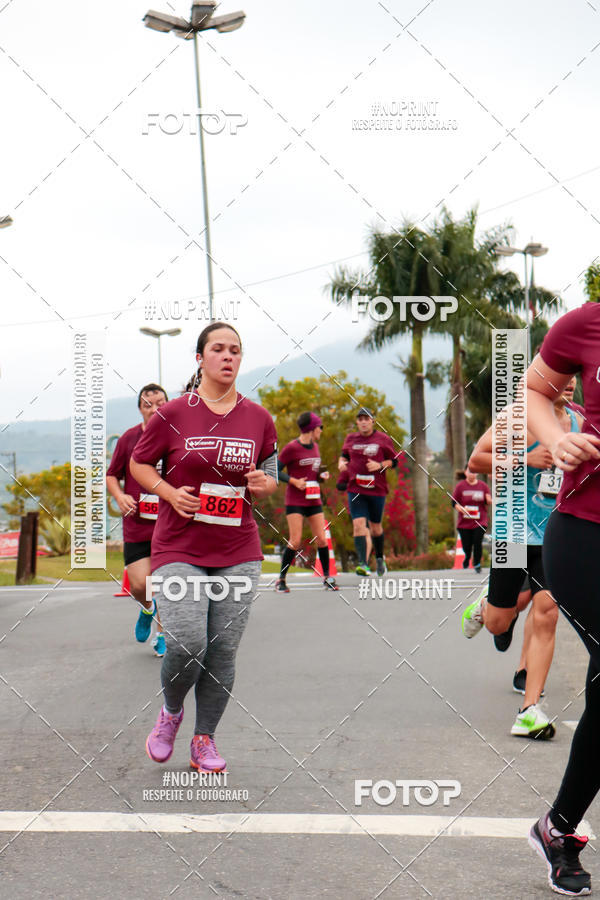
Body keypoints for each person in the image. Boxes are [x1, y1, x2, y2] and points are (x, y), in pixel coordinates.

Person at [130, 322, 278, 773]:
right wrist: (169, 493)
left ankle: (204, 739)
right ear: (200, 358)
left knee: (223, 649)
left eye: (235, 349)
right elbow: (139, 464)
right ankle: (171, 712)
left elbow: (271, 473)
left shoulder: (258, 418)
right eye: (218, 349)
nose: (228, 356)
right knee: (188, 644)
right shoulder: (173, 413)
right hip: (179, 546)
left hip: (238, 548)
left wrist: (265, 483)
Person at [524, 304, 600, 896]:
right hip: (585, 531)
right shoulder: (585, 324)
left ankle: (559, 827)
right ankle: (560, 828)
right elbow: (533, 391)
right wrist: (558, 440)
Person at [463, 377, 581, 742]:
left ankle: (529, 710)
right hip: (512, 531)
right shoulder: (517, 417)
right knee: (499, 623)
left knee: (547, 613)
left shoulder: (578, 421)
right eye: (563, 376)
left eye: (574, 377)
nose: (570, 383)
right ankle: (485, 607)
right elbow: (476, 460)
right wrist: (524, 458)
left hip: (555, 533)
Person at [106, 383, 168, 657]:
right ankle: (147, 608)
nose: (154, 409)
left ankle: (163, 634)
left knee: (165, 585)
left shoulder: (177, 437)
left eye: (160, 403)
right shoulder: (129, 439)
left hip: (169, 525)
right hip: (137, 525)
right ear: (140, 409)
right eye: (147, 405)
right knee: (141, 585)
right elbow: (112, 475)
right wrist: (119, 496)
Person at [275, 411, 338, 592]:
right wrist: (294, 481)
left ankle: (327, 577)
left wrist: (322, 476)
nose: (321, 431)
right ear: (312, 428)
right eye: (320, 427)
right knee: (295, 541)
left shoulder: (315, 447)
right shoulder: (291, 448)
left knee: (322, 539)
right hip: (295, 500)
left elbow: (313, 473)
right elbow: (275, 470)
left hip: (313, 499)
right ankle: (281, 580)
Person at [338, 408, 399, 576]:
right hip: (355, 488)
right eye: (360, 419)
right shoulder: (351, 439)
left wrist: (380, 465)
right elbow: (344, 456)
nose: (364, 422)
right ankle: (363, 564)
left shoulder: (383, 439)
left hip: (376, 490)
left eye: (367, 418)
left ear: (373, 421)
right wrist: (341, 463)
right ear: (357, 422)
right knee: (358, 525)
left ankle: (379, 558)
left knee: (375, 528)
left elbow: (394, 462)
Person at [451, 467, 492, 573]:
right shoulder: (460, 486)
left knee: (477, 542)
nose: (472, 474)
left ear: (477, 473)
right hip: (464, 522)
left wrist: (489, 500)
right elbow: (454, 503)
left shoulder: (483, 486)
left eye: (474, 472)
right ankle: (468, 555)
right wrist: (461, 509)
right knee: (467, 544)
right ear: (465, 472)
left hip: (480, 521)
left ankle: (477, 563)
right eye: (469, 471)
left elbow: (488, 500)